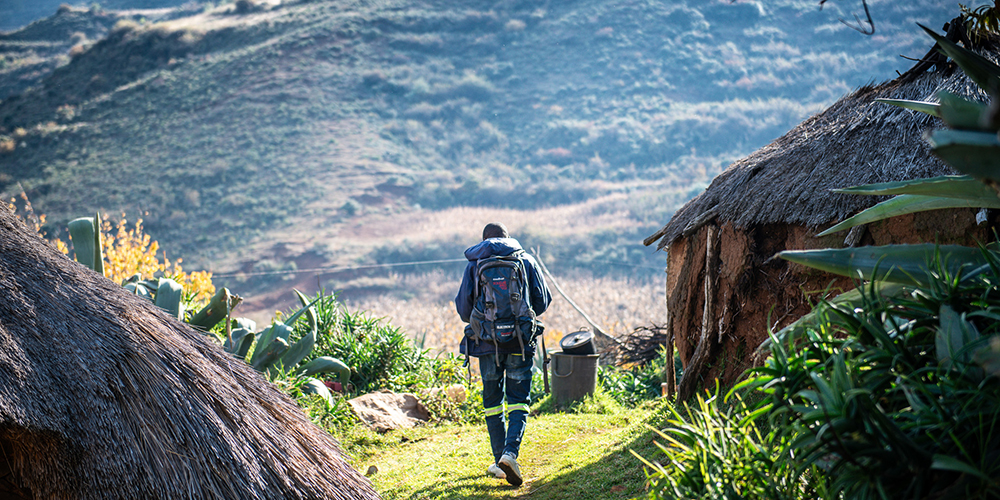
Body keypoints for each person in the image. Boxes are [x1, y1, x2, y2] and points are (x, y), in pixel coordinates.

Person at [455, 222, 551, 487]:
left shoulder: (474, 264)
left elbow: (464, 309)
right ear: (508, 239)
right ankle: (510, 454)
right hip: (519, 342)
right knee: (519, 399)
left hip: (486, 344)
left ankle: (500, 460)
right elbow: (542, 303)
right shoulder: (525, 260)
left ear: (483, 240)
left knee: (492, 402)